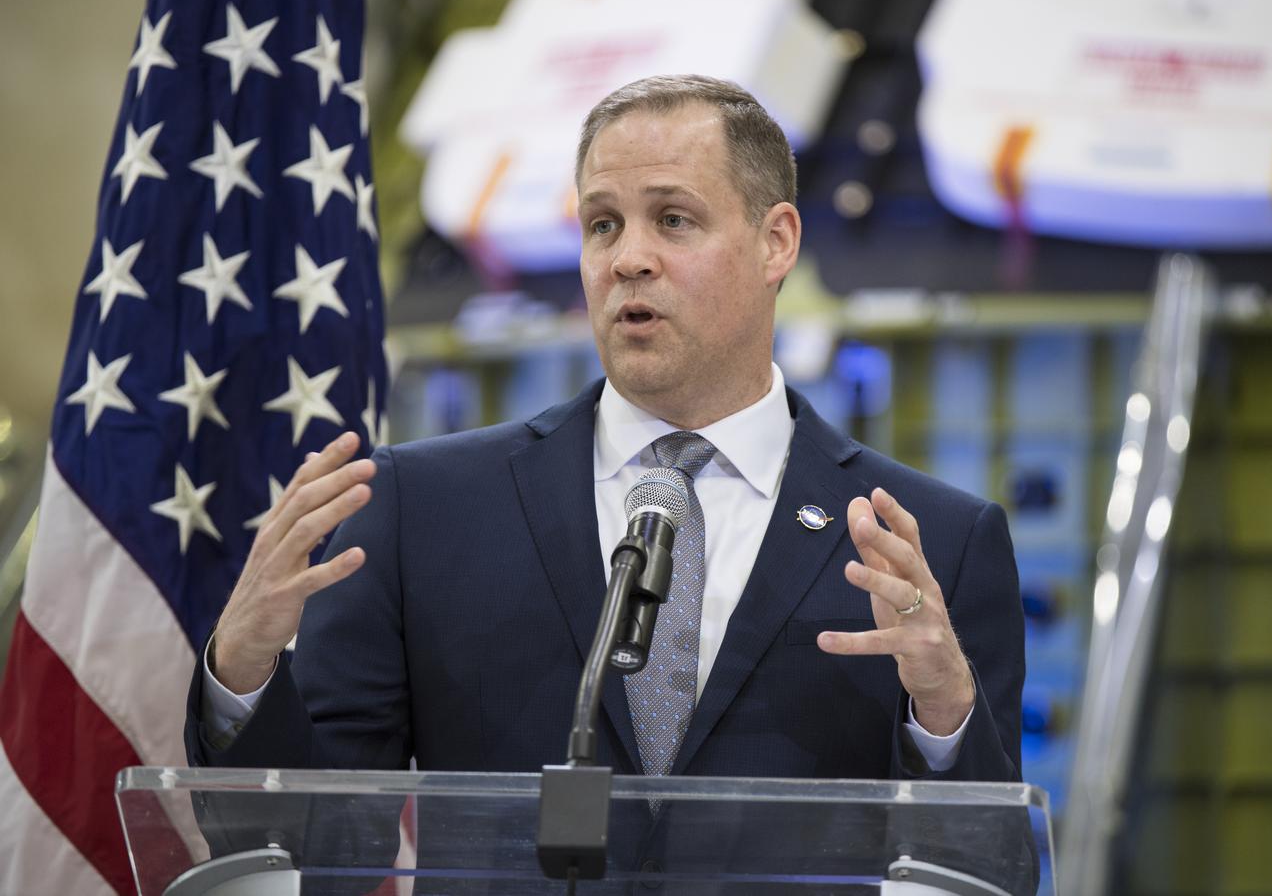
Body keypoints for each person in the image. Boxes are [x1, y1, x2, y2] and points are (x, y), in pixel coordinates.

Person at [187, 75, 1023, 789]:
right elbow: (322, 832)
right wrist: (242, 673)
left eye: (674, 220)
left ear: (776, 242)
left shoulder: (931, 544)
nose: (628, 258)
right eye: (603, 223)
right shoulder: (423, 509)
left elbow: (982, 863)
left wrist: (946, 712)